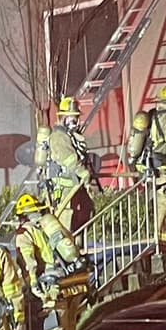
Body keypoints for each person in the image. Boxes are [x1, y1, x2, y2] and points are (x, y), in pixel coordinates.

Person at [13, 193, 91, 330]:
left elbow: (29, 263)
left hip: (53, 294)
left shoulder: (24, 234)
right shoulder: (55, 226)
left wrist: (33, 284)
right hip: (74, 286)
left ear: (22, 215)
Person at [126, 82, 166, 239]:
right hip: (158, 165)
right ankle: (157, 233)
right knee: (164, 196)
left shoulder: (154, 114)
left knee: (164, 196)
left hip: (148, 164)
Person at [35, 97, 98, 232]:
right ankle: (66, 250)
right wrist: (83, 172)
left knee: (87, 212)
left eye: (77, 117)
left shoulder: (71, 136)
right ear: (63, 117)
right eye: (72, 117)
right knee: (65, 221)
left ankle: (78, 246)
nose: (76, 121)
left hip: (75, 186)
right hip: (63, 189)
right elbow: (69, 159)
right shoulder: (58, 137)